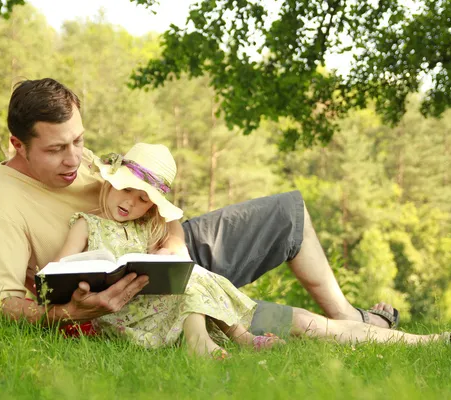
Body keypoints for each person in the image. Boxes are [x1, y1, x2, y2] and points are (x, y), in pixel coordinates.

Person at [0, 78, 451, 345]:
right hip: (138, 303)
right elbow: (4, 306)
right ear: (19, 145)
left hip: (169, 257)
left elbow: (146, 196)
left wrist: (177, 238)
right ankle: (408, 335)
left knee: (287, 213)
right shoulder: (2, 203)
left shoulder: (81, 158)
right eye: (56, 150)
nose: (75, 160)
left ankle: (383, 329)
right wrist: (73, 314)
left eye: (79, 143)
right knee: (286, 321)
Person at [54, 143, 285, 357]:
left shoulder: (144, 227)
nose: (131, 202)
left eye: (143, 199)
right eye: (126, 190)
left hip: (146, 307)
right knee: (192, 278)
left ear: (151, 207)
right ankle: (215, 340)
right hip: (112, 313)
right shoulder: (87, 224)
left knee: (189, 275)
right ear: (111, 182)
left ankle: (217, 339)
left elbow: (166, 255)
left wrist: (160, 259)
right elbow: (57, 271)